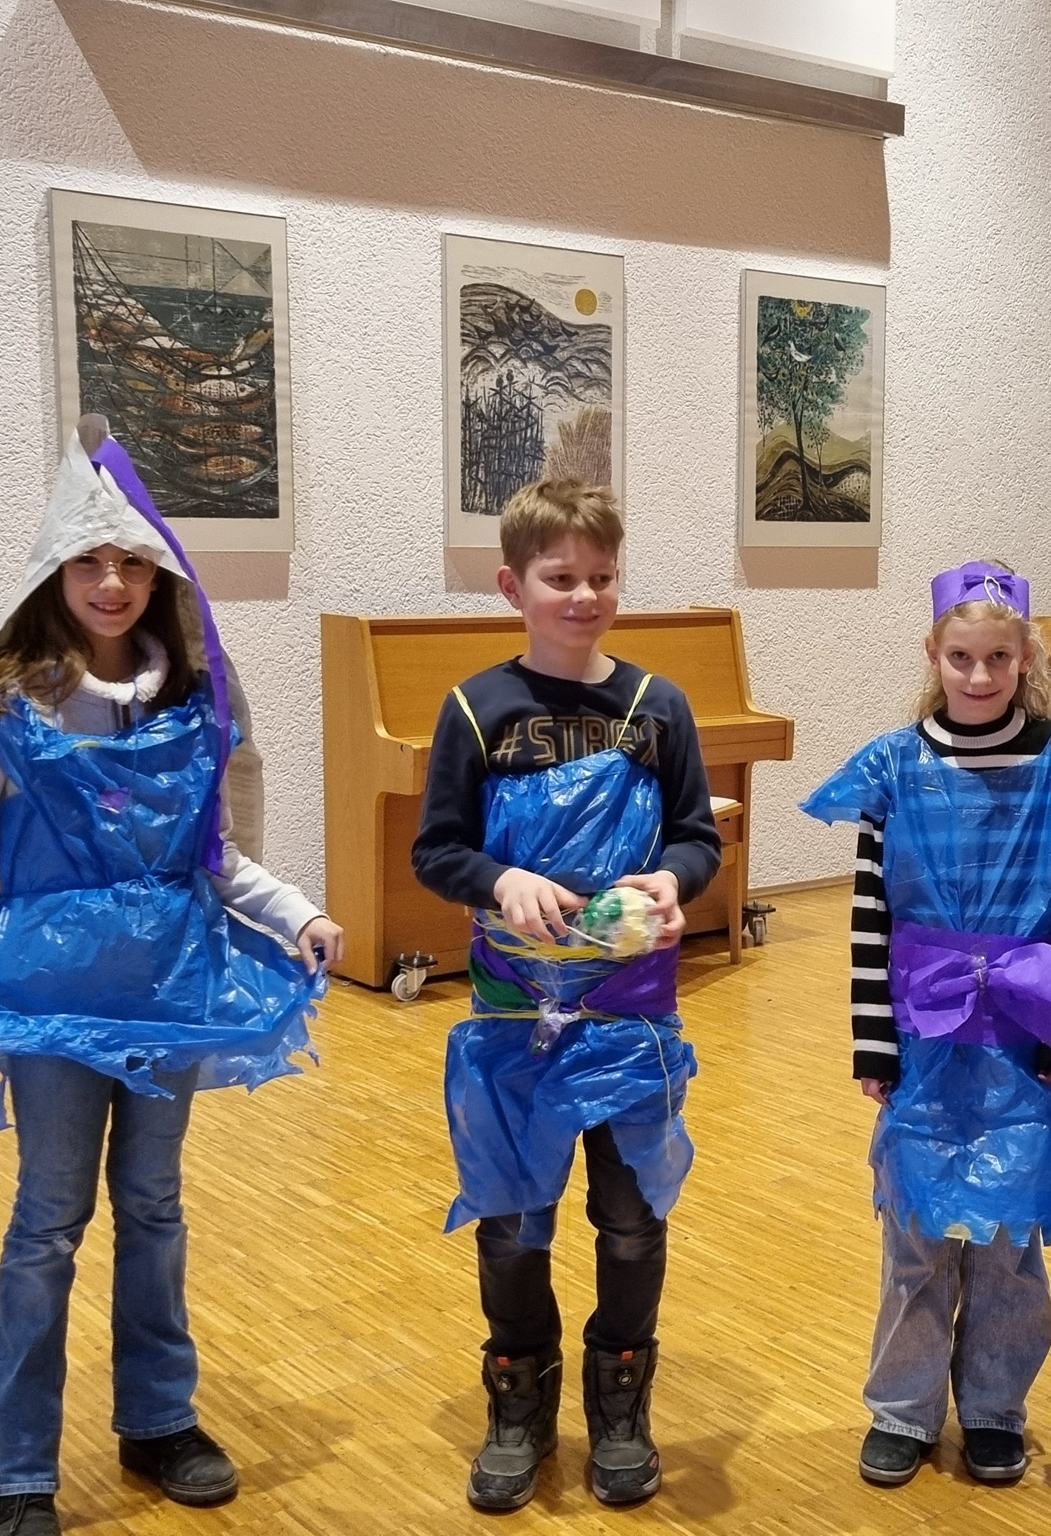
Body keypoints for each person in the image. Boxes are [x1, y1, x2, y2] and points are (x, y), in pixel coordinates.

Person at [0, 421, 343, 1536]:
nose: (111, 581)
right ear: (55, 571)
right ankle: (18, 1471)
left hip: (167, 990)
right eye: (89, 559)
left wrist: (299, 913)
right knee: (48, 1220)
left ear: (159, 577)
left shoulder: (189, 703)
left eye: (133, 561)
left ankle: (159, 1419)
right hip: (50, 1003)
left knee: (154, 1204)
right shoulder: (1, 708)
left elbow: (210, 856)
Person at [411, 479, 721, 1512]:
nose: (583, 596)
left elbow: (697, 836)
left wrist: (672, 879)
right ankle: (518, 1395)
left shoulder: (657, 708)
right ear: (513, 587)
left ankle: (620, 1398)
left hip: (631, 1014)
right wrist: (500, 879)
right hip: (511, 1016)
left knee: (630, 1219)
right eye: (560, 578)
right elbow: (437, 851)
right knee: (511, 1217)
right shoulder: (475, 710)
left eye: (601, 576)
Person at [802, 560, 1051, 1489]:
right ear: (933, 653)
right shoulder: (894, 766)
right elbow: (870, 916)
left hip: (1024, 1029)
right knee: (917, 1231)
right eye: (962, 657)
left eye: (998, 658)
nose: (979, 675)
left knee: (1009, 1240)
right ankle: (904, 1407)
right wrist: (873, 1041)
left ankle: (997, 1407)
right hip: (924, 1035)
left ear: (1025, 658)